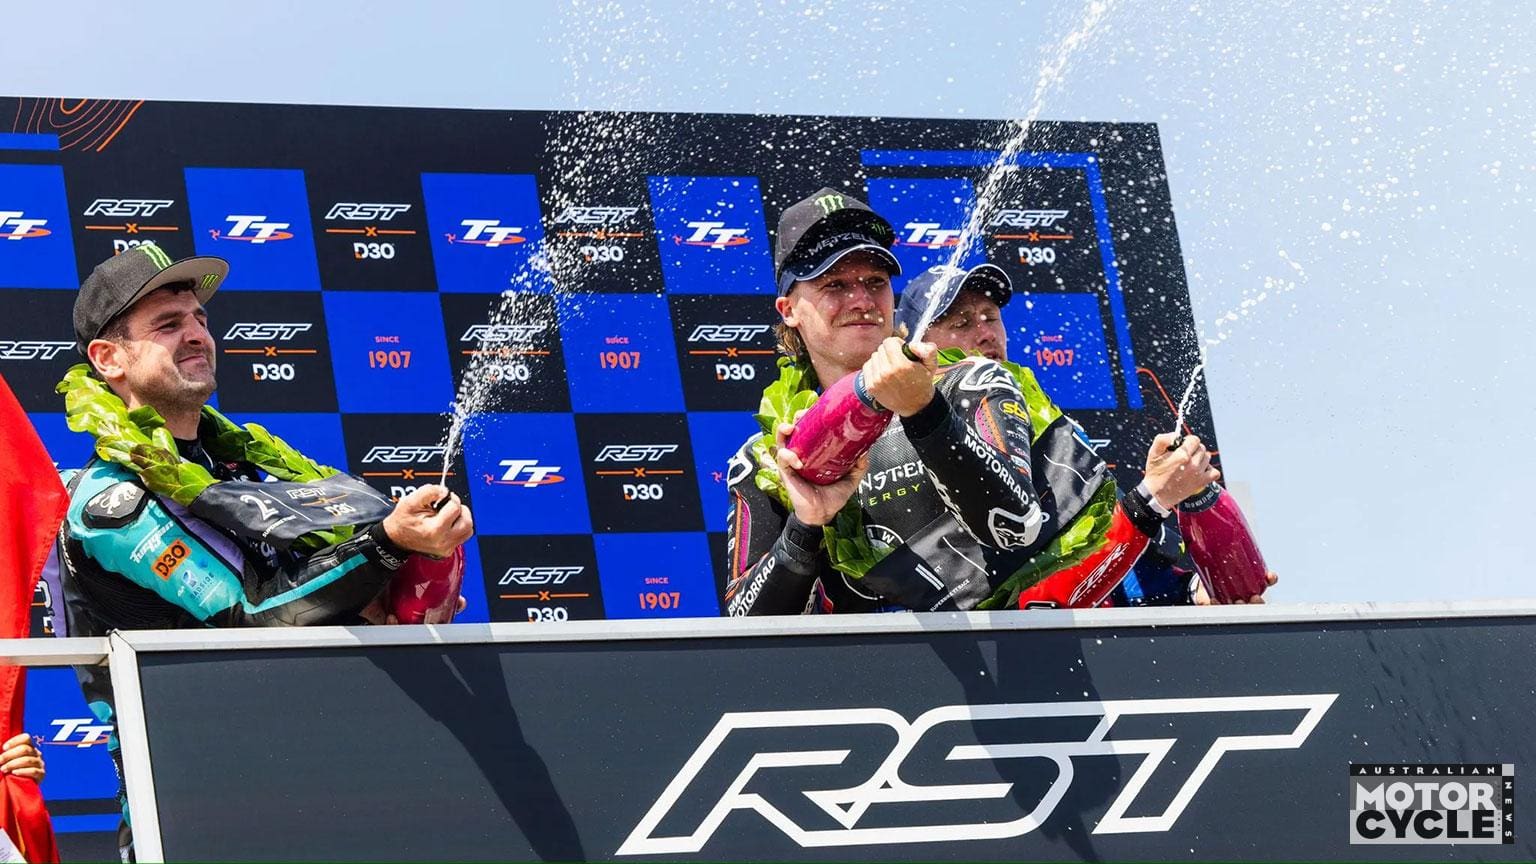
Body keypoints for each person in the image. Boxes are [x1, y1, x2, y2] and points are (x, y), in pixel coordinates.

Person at [48, 244, 473, 858]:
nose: (196, 335)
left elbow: (309, 588)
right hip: (190, 811)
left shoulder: (235, 471)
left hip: (304, 784)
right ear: (109, 358)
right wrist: (386, 545)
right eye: (168, 325)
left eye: (199, 319)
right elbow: (254, 618)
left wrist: (391, 585)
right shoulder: (112, 501)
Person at [722, 189, 1216, 615]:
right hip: (873, 685)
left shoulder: (973, 382)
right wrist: (808, 523)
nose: (862, 299)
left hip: (1024, 674)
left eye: (875, 282)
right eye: (834, 285)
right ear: (789, 310)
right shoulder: (767, 455)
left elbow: (1014, 527)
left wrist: (923, 411)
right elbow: (746, 625)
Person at [894, 263, 1277, 605]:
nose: (985, 334)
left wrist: (1190, 592)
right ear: (916, 344)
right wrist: (1153, 498)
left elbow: (1112, 568)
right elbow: (1020, 603)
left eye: (990, 317)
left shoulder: (1035, 412)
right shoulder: (910, 441)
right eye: (961, 324)